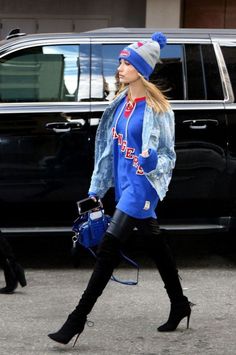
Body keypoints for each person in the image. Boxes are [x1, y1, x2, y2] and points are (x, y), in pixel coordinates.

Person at [48, 32, 193, 346]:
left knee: (109, 248)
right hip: (124, 184)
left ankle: (76, 321)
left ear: (142, 69)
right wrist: (97, 188)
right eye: (121, 61)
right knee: (154, 242)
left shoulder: (159, 109)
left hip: (142, 187)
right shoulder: (119, 105)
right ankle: (180, 303)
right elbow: (107, 151)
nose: (121, 67)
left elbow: (168, 154)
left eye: (127, 62)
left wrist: (155, 160)